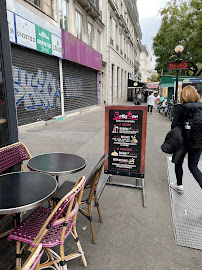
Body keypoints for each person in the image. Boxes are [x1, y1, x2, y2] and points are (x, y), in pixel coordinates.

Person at [170, 85, 202, 193]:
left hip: (183, 142)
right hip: (198, 141)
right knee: (193, 167)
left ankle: (179, 185)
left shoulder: (180, 107)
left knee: (178, 163)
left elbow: (174, 126)